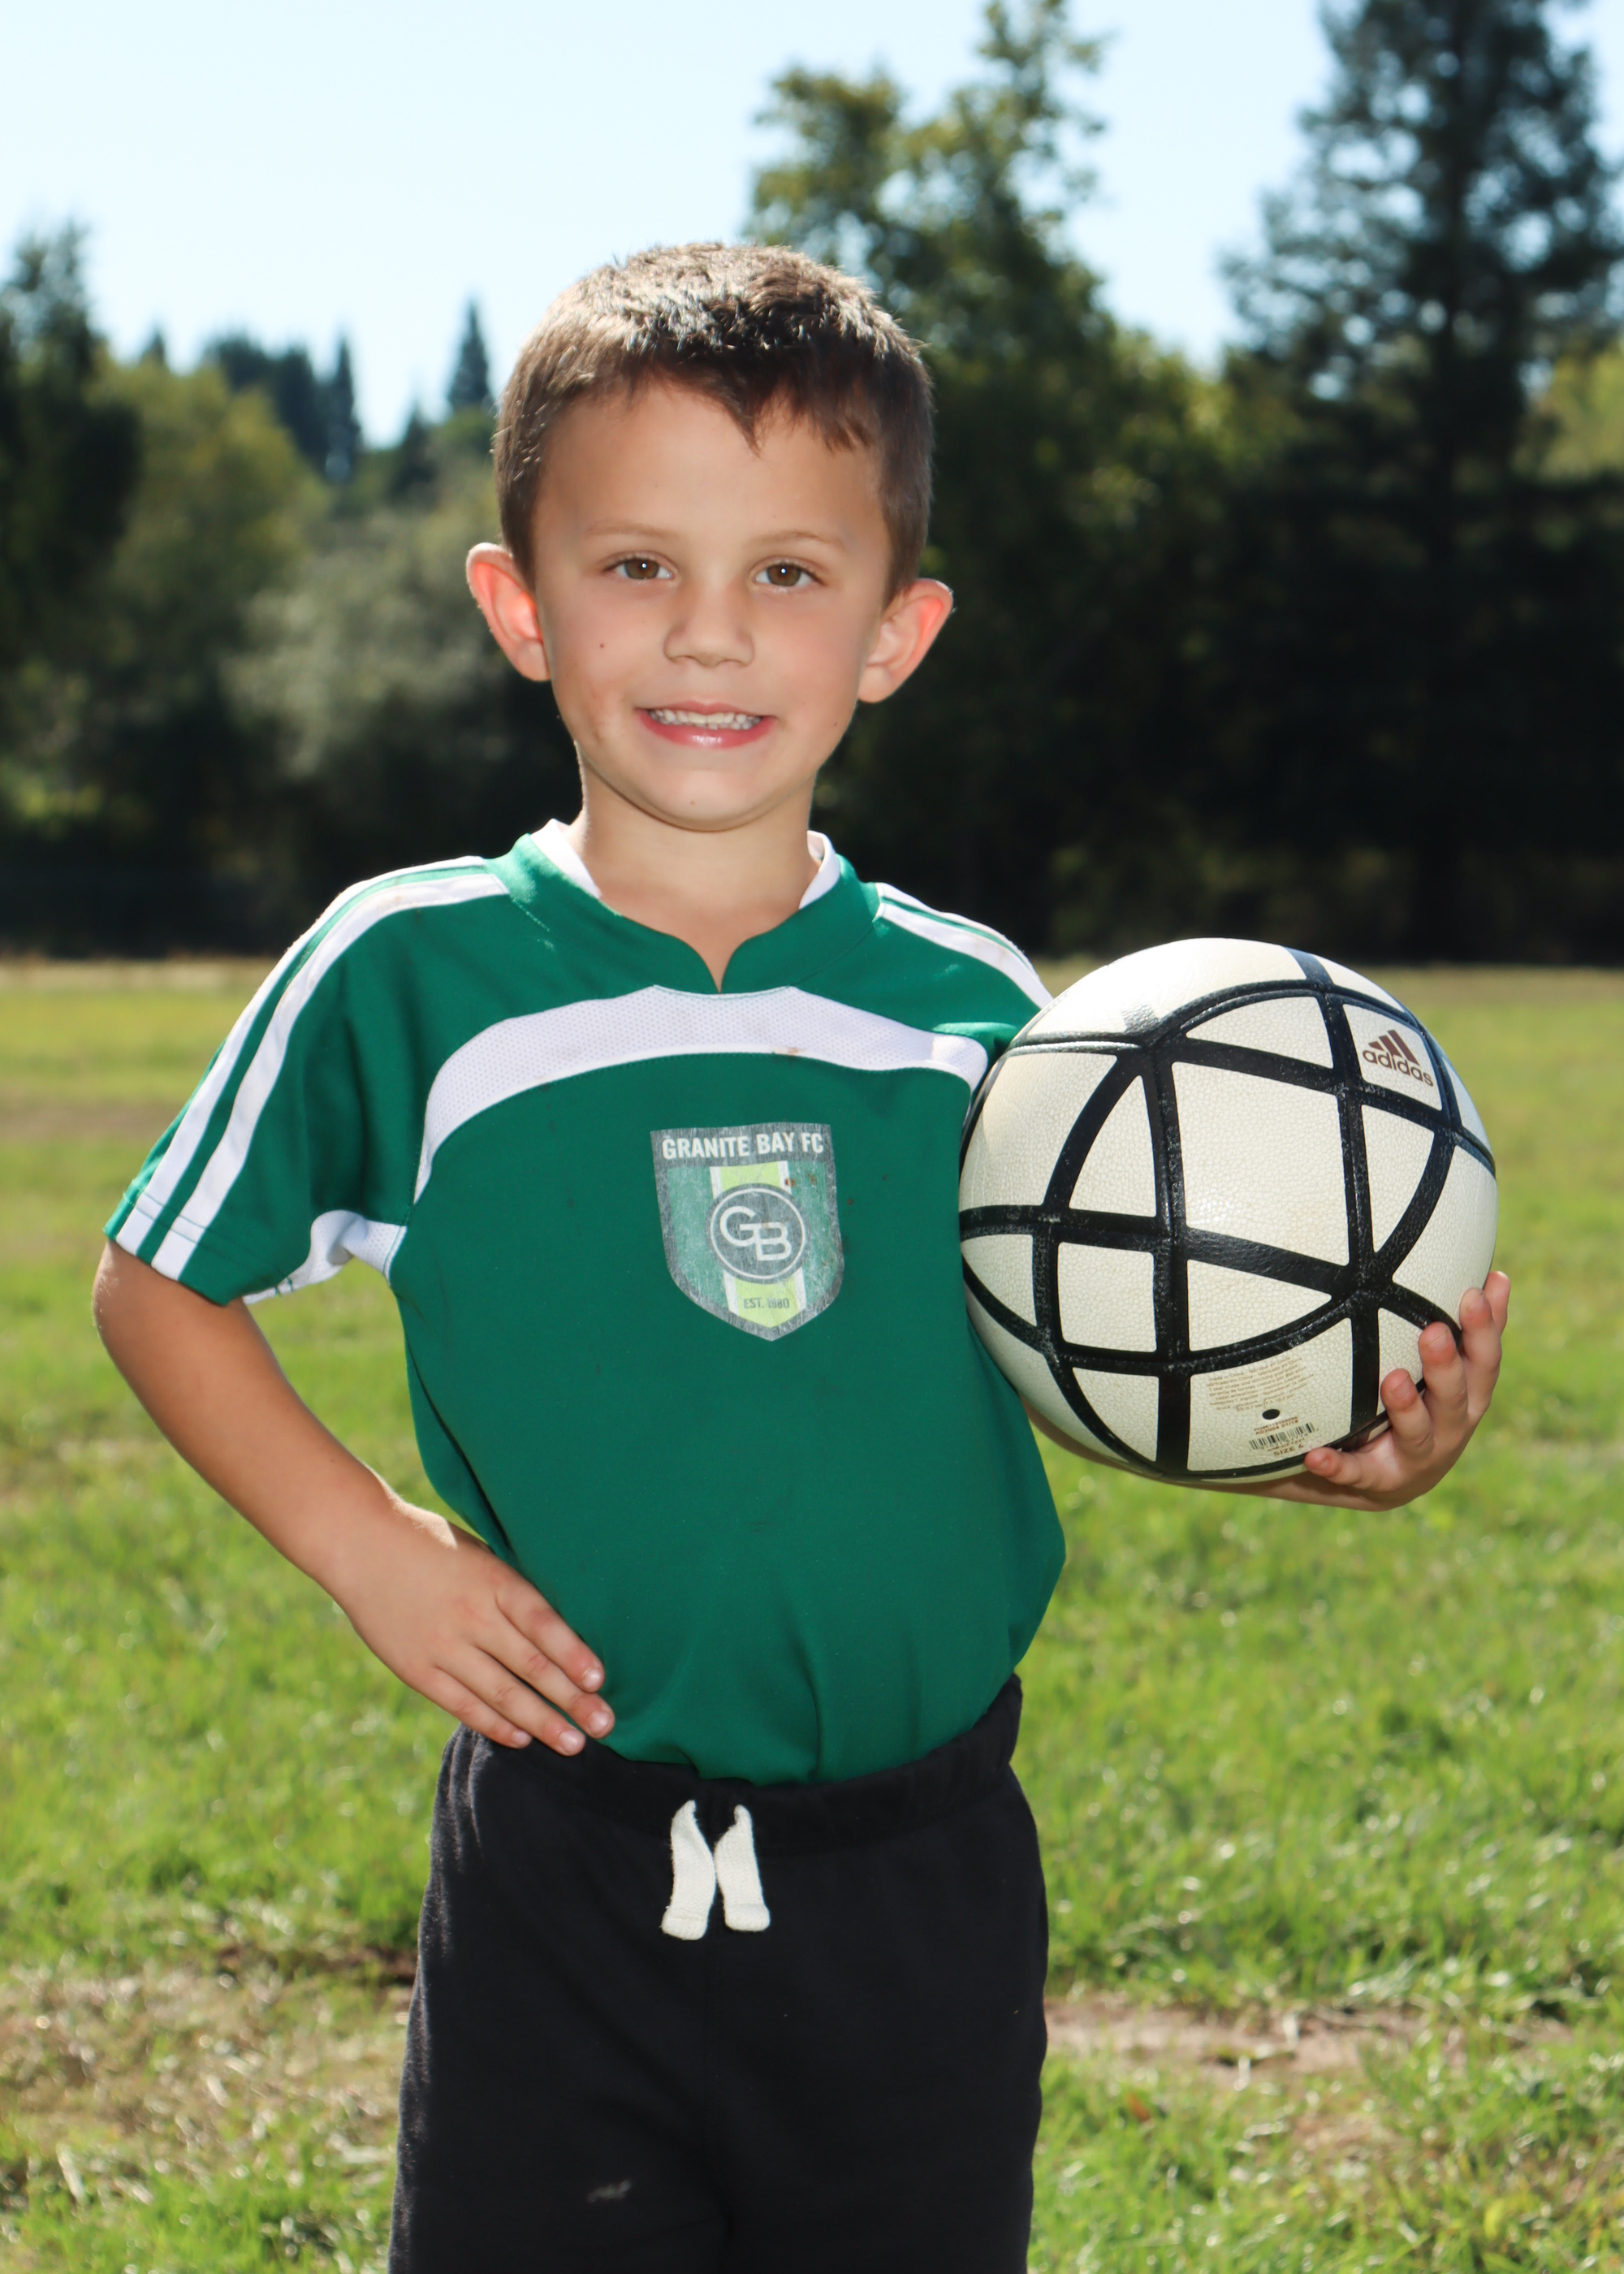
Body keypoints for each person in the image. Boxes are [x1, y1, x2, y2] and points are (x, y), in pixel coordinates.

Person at [93, 243, 1510, 2272]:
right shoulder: (409, 970)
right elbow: (156, 1280)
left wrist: (1304, 1428)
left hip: (920, 1872)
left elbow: (1052, 1348)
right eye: (635, 564)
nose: (709, 630)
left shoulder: (979, 1011)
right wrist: (371, 1549)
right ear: (518, 603)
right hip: (570, 1867)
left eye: (786, 571)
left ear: (893, 631)